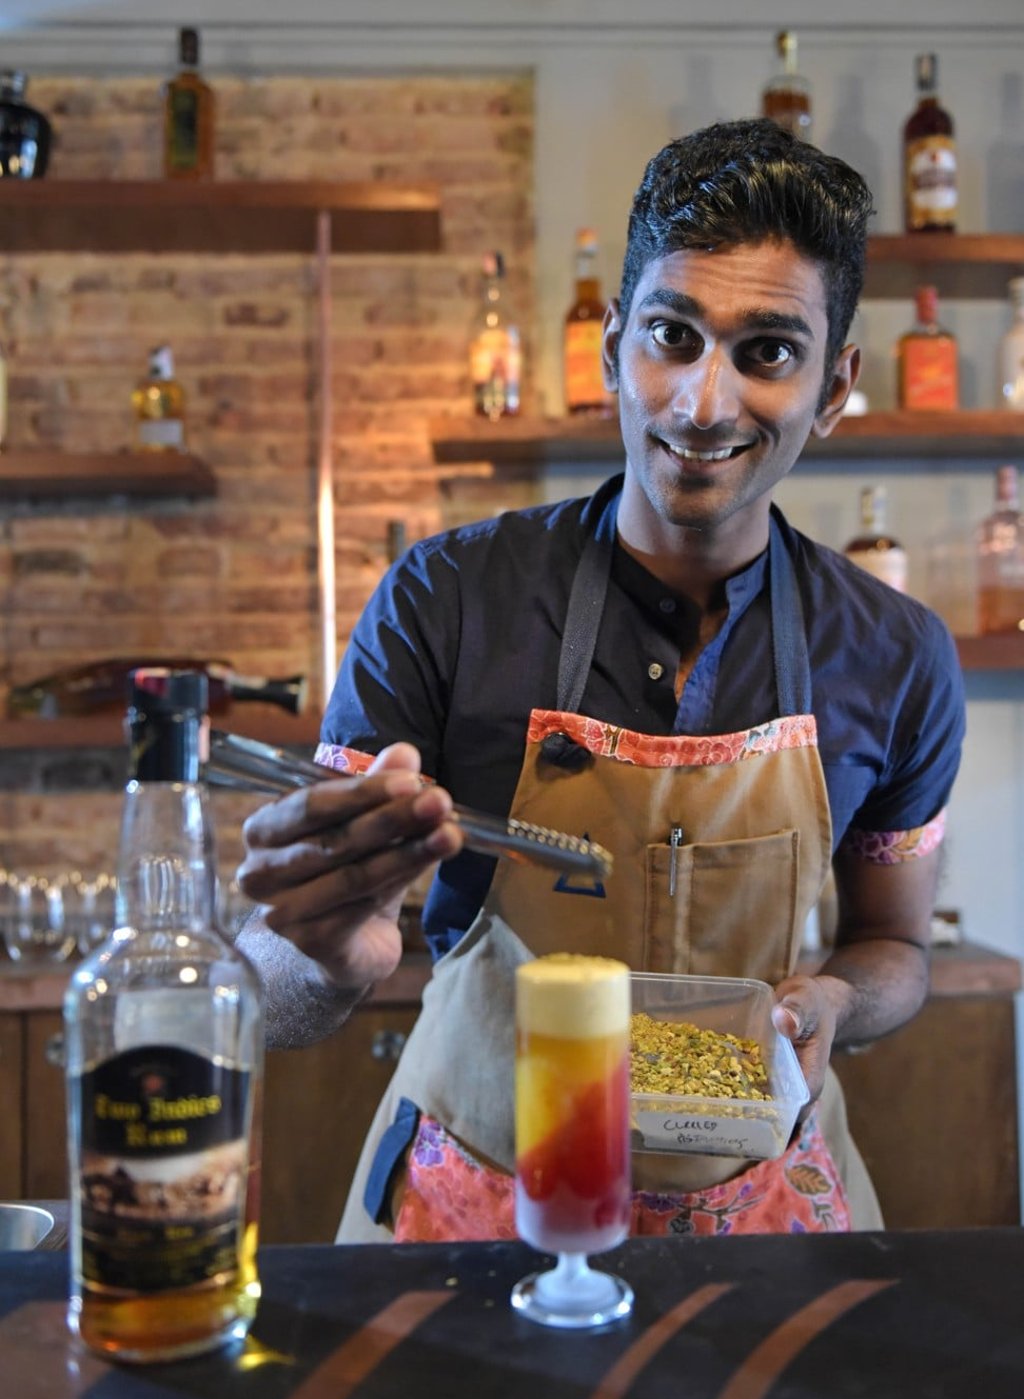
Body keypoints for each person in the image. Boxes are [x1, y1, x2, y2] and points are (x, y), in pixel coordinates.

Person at [237, 117, 965, 1242]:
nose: (703, 401)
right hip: (470, 1205)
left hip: (761, 1216)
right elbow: (281, 995)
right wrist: (325, 954)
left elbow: (897, 948)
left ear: (833, 387)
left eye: (767, 351)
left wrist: (837, 999)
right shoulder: (447, 599)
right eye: (673, 335)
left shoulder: (897, 656)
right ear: (617, 342)